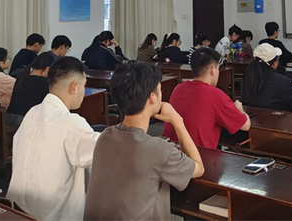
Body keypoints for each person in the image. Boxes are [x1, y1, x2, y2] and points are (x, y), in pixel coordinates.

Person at [84, 62, 204, 220]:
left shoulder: (105, 136)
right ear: (152, 98)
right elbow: (198, 168)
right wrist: (177, 121)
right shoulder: (159, 151)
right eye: (160, 91)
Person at [7, 57, 100, 221]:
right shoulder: (71, 124)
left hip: (16, 211)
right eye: (84, 86)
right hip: (50, 216)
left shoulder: (33, 113)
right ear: (74, 87)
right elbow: (106, 152)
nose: (84, 92)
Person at [164, 48, 250, 149]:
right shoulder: (216, 95)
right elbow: (245, 125)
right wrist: (239, 108)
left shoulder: (178, 88)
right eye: (218, 68)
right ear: (213, 69)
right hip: (200, 155)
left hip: (172, 152)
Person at [241, 44, 292, 112]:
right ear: (275, 64)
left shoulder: (249, 76)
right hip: (277, 117)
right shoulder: (282, 81)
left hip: (251, 115)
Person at [7, 52, 54, 116]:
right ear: (47, 69)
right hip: (28, 119)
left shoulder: (21, 77)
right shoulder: (44, 82)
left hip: (9, 118)